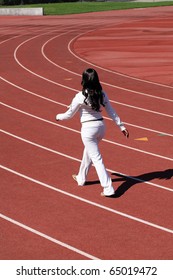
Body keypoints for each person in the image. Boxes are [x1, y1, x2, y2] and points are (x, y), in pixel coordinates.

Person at [56, 68, 129, 197]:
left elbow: (68, 115)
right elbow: (111, 111)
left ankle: (108, 188)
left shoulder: (79, 96)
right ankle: (81, 178)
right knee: (89, 152)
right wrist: (121, 126)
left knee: (96, 159)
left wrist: (58, 116)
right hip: (101, 127)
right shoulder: (102, 94)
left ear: (83, 80)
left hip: (88, 130)